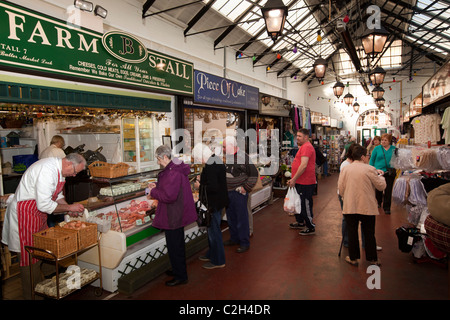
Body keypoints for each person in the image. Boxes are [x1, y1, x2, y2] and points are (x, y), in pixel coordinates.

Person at [1, 153, 86, 299]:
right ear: (68, 164)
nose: (73, 175)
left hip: (38, 214)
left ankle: (51, 284)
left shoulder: (59, 170)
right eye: (74, 172)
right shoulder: (47, 170)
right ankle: (33, 295)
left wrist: (67, 207)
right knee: (29, 256)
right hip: (25, 214)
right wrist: (70, 208)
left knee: (44, 247)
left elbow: (57, 195)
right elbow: (45, 204)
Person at [147, 145, 197, 286]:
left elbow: (169, 196)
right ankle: (177, 269)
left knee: (175, 246)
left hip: (173, 215)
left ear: (164, 157)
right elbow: (169, 186)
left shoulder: (173, 172)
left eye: (158, 159)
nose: (158, 162)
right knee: (177, 245)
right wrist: (156, 185)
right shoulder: (174, 168)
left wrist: (153, 192)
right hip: (177, 213)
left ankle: (180, 276)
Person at [338, 145, 386, 266]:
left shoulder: (346, 169)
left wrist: (346, 197)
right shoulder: (369, 169)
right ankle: (372, 259)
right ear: (363, 157)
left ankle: (353, 258)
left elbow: (341, 188)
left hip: (350, 205)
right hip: (367, 206)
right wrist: (382, 178)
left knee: (352, 232)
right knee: (369, 233)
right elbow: (381, 186)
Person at [192, 143, 229, 269]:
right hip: (218, 202)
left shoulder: (211, 165)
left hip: (214, 203)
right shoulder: (215, 160)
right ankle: (212, 254)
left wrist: (200, 186)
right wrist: (203, 179)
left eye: (198, 158)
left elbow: (213, 187)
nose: (199, 161)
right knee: (212, 230)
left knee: (214, 232)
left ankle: (218, 261)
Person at [222, 135, 258, 253]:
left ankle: (244, 242)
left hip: (239, 193)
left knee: (242, 218)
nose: (222, 149)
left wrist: (246, 188)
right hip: (228, 192)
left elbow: (253, 175)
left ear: (231, 146)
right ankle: (234, 238)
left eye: (224, 146)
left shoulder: (244, 157)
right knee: (231, 217)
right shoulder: (227, 157)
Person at [287, 128, 316, 235]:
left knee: (305, 204)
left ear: (305, 137)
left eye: (299, 136)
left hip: (306, 182)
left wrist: (294, 179)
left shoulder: (307, 147)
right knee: (298, 202)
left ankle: (310, 226)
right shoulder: (303, 147)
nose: (297, 138)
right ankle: (300, 222)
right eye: (297, 136)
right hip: (300, 181)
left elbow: (303, 165)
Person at [369, 133, 396, 214]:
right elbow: (372, 160)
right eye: (382, 140)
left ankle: (387, 207)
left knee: (388, 190)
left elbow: (397, 160)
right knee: (379, 189)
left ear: (389, 141)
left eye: (385, 140)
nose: (383, 142)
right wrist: (372, 170)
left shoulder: (394, 149)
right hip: (379, 172)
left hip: (390, 172)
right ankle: (378, 202)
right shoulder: (377, 149)